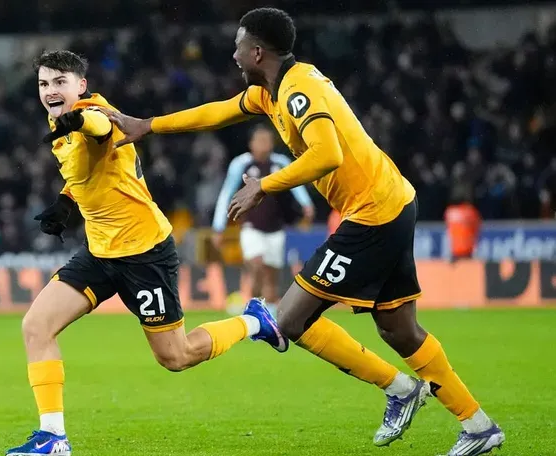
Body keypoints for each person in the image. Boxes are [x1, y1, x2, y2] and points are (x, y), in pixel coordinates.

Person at [102, 8, 504, 456]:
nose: (234, 55)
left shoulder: (298, 89)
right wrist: (149, 126)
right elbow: (217, 113)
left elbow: (327, 154)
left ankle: (400, 389)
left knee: (290, 319)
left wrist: (264, 186)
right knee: (399, 330)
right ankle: (477, 425)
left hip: (373, 213)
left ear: (257, 52)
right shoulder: (269, 92)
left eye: (238, 46)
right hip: (391, 202)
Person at [6, 50, 287, 456]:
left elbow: (100, 128)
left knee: (176, 356)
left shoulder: (91, 113)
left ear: (81, 86)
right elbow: (90, 169)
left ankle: (254, 321)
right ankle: (53, 437)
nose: (50, 91)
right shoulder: (59, 120)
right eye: (43, 84)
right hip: (99, 251)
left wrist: (79, 120)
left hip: (144, 252)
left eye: (59, 83)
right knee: (36, 326)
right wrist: (66, 201)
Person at [212, 124, 314, 314]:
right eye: (260, 140)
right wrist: (218, 226)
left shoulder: (280, 162)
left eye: (267, 140)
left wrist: (306, 204)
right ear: (251, 144)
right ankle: (254, 309)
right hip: (250, 227)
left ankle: (268, 317)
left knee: (271, 278)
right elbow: (226, 193)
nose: (264, 144)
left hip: (276, 228)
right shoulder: (241, 164)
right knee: (257, 265)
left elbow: (296, 183)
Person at [444, 186, 482, 261]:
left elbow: (448, 231)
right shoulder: (470, 211)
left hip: (454, 250)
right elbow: (477, 229)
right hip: (467, 250)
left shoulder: (450, 212)